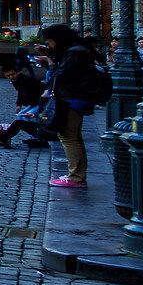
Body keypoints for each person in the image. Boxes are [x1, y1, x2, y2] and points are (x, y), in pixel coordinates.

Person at [41, 25, 102, 189]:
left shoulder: (75, 53)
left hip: (72, 98)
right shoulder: (78, 50)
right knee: (74, 137)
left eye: (49, 40)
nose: (48, 44)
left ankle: (76, 176)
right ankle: (77, 174)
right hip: (77, 97)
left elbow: (63, 75)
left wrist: (52, 65)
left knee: (68, 136)